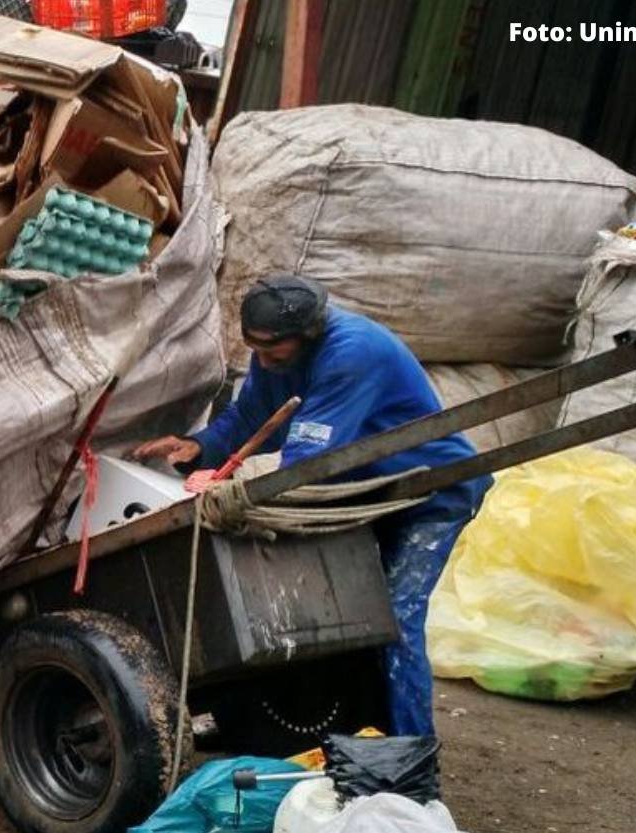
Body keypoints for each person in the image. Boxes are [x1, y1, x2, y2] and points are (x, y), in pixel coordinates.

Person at [132, 274, 492, 737]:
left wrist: (237, 491)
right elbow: (250, 415)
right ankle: (334, 731)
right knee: (340, 615)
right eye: (255, 350)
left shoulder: (353, 354)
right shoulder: (276, 356)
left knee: (394, 620)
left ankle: (409, 756)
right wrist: (198, 447)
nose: (263, 361)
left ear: (309, 333)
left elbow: (308, 460)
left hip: (431, 491)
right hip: (366, 491)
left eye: (272, 351)